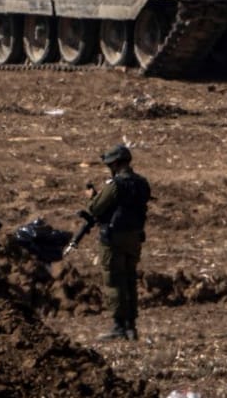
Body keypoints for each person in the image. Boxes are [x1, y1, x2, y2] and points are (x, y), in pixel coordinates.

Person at [77, 144, 150, 342]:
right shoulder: (141, 182)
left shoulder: (115, 185)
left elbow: (96, 208)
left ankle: (118, 326)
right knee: (129, 280)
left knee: (113, 281)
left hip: (114, 237)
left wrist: (92, 197)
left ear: (116, 164)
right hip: (134, 236)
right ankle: (131, 327)